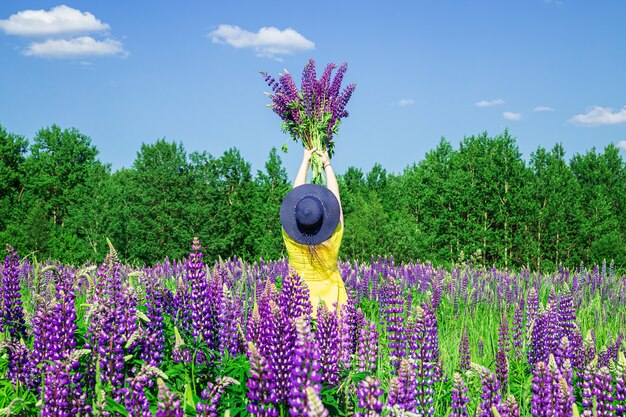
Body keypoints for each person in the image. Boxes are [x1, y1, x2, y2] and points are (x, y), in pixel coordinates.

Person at [280, 148, 348, 313]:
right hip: (334, 308)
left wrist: (305, 161)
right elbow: (336, 204)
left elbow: (293, 198)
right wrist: (327, 164)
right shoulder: (332, 239)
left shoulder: (290, 239)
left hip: (298, 307)